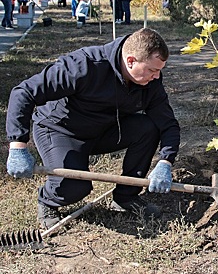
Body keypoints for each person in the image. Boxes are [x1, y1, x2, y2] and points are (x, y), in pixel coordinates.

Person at [6, 28, 181, 229]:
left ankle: (125, 197)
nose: (157, 77)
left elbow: (168, 124)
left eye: (160, 70)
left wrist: (166, 161)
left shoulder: (151, 84)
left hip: (103, 129)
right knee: (75, 187)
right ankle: (48, 200)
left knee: (148, 128)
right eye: (152, 70)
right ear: (131, 61)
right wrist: (18, 145)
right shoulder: (84, 65)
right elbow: (23, 93)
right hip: (59, 130)